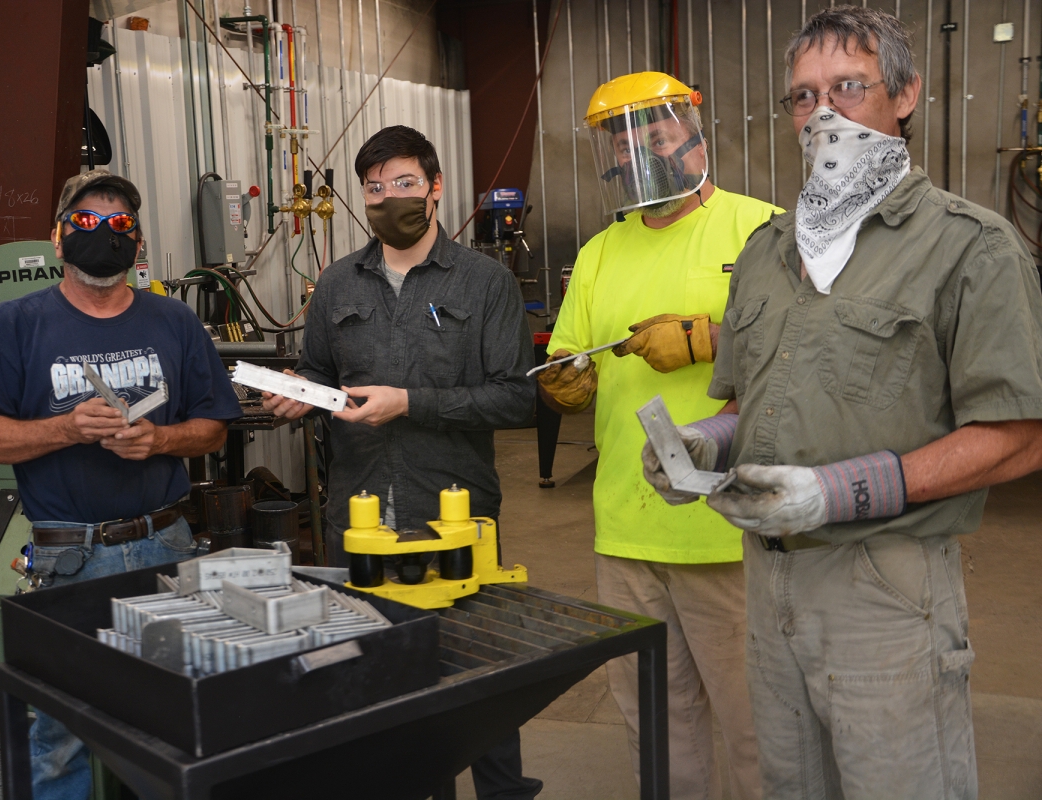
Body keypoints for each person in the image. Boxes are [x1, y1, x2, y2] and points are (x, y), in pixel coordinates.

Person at [644, 7, 1042, 799]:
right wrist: (705, 446)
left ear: (904, 95)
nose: (822, 112)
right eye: (802, 96)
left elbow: (1018, 438)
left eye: (847, 87)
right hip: (769, 582)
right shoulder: (767, 251)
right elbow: (753, 402)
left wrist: (835, 491)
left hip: (884, 587)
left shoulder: (972, 246)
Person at [262, 125, 541, 799]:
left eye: (405, 184)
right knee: (379, 690)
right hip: (358, 517)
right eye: (375, 188)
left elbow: (517, 399)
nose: (388, 198)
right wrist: (301, 394)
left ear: (436, 188)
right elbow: (320, 371)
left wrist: (409, 403)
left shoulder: (485, 281)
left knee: (478, 685)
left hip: (456, 515)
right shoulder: (334, 284)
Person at [0, 169, 241, 800]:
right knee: (60, 734)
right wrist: (66, 429)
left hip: (166, 547)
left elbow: (215, 428)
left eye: (117, 224)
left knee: (175, 722)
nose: (101, 233)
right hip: (68, 559)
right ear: (56, 238)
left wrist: (158, 440)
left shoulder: (175, 322)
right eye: (84, 221)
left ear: (137, 242)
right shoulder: (15, 325)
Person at [537, 72, 772, 800]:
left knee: (755, 722)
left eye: (657, 134)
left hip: (729, 527)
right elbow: (572, 356)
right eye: (625, 141)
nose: (642, 151)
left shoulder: (762, 228)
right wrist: (567, 384)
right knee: (656, 724)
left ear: (696, 135)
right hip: (627, 530)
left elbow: (815, 347)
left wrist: (706, 338)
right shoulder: (604, 250)